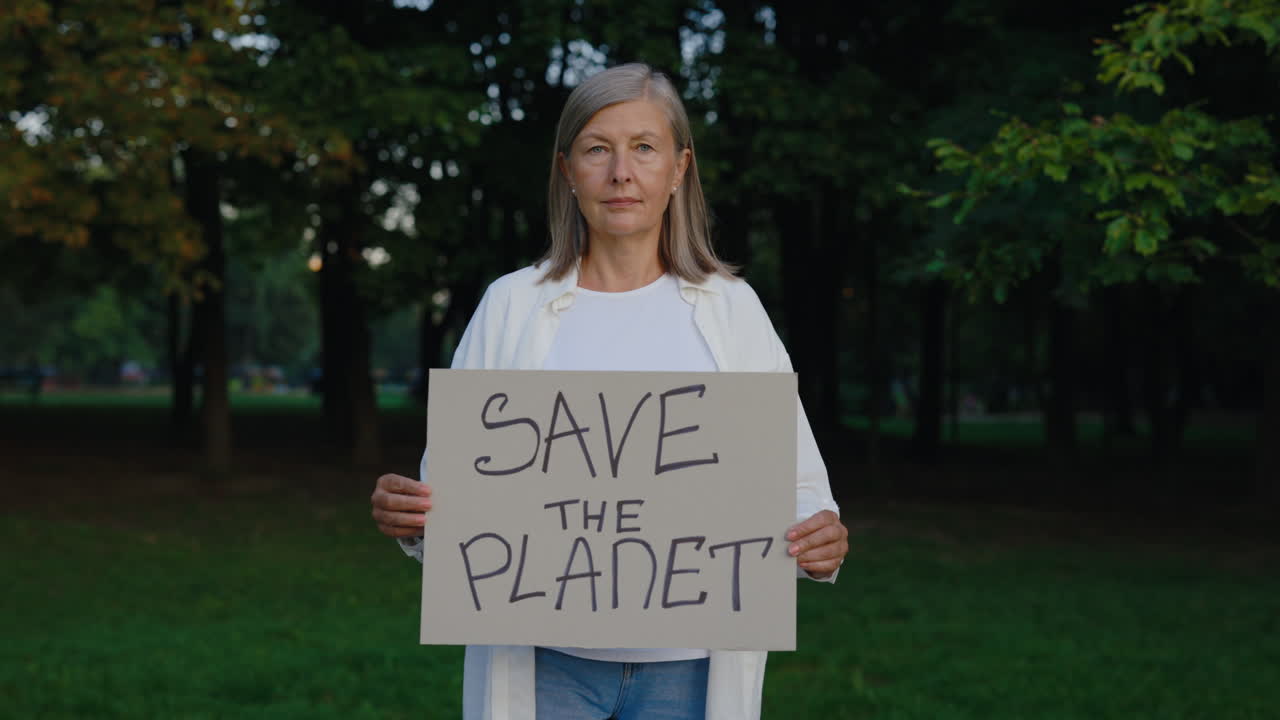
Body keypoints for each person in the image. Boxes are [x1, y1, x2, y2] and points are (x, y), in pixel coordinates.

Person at [370, 62, 848, 720]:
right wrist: (412, 519)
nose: (622, 173)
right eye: (598, 149)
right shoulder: (510, 308)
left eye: (644, 148)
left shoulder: (733, 311)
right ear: (567, 171)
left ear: (679, 169)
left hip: (691, 668)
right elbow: (451, 497)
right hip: (543, 667)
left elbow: (798, 486)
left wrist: (820, 544)